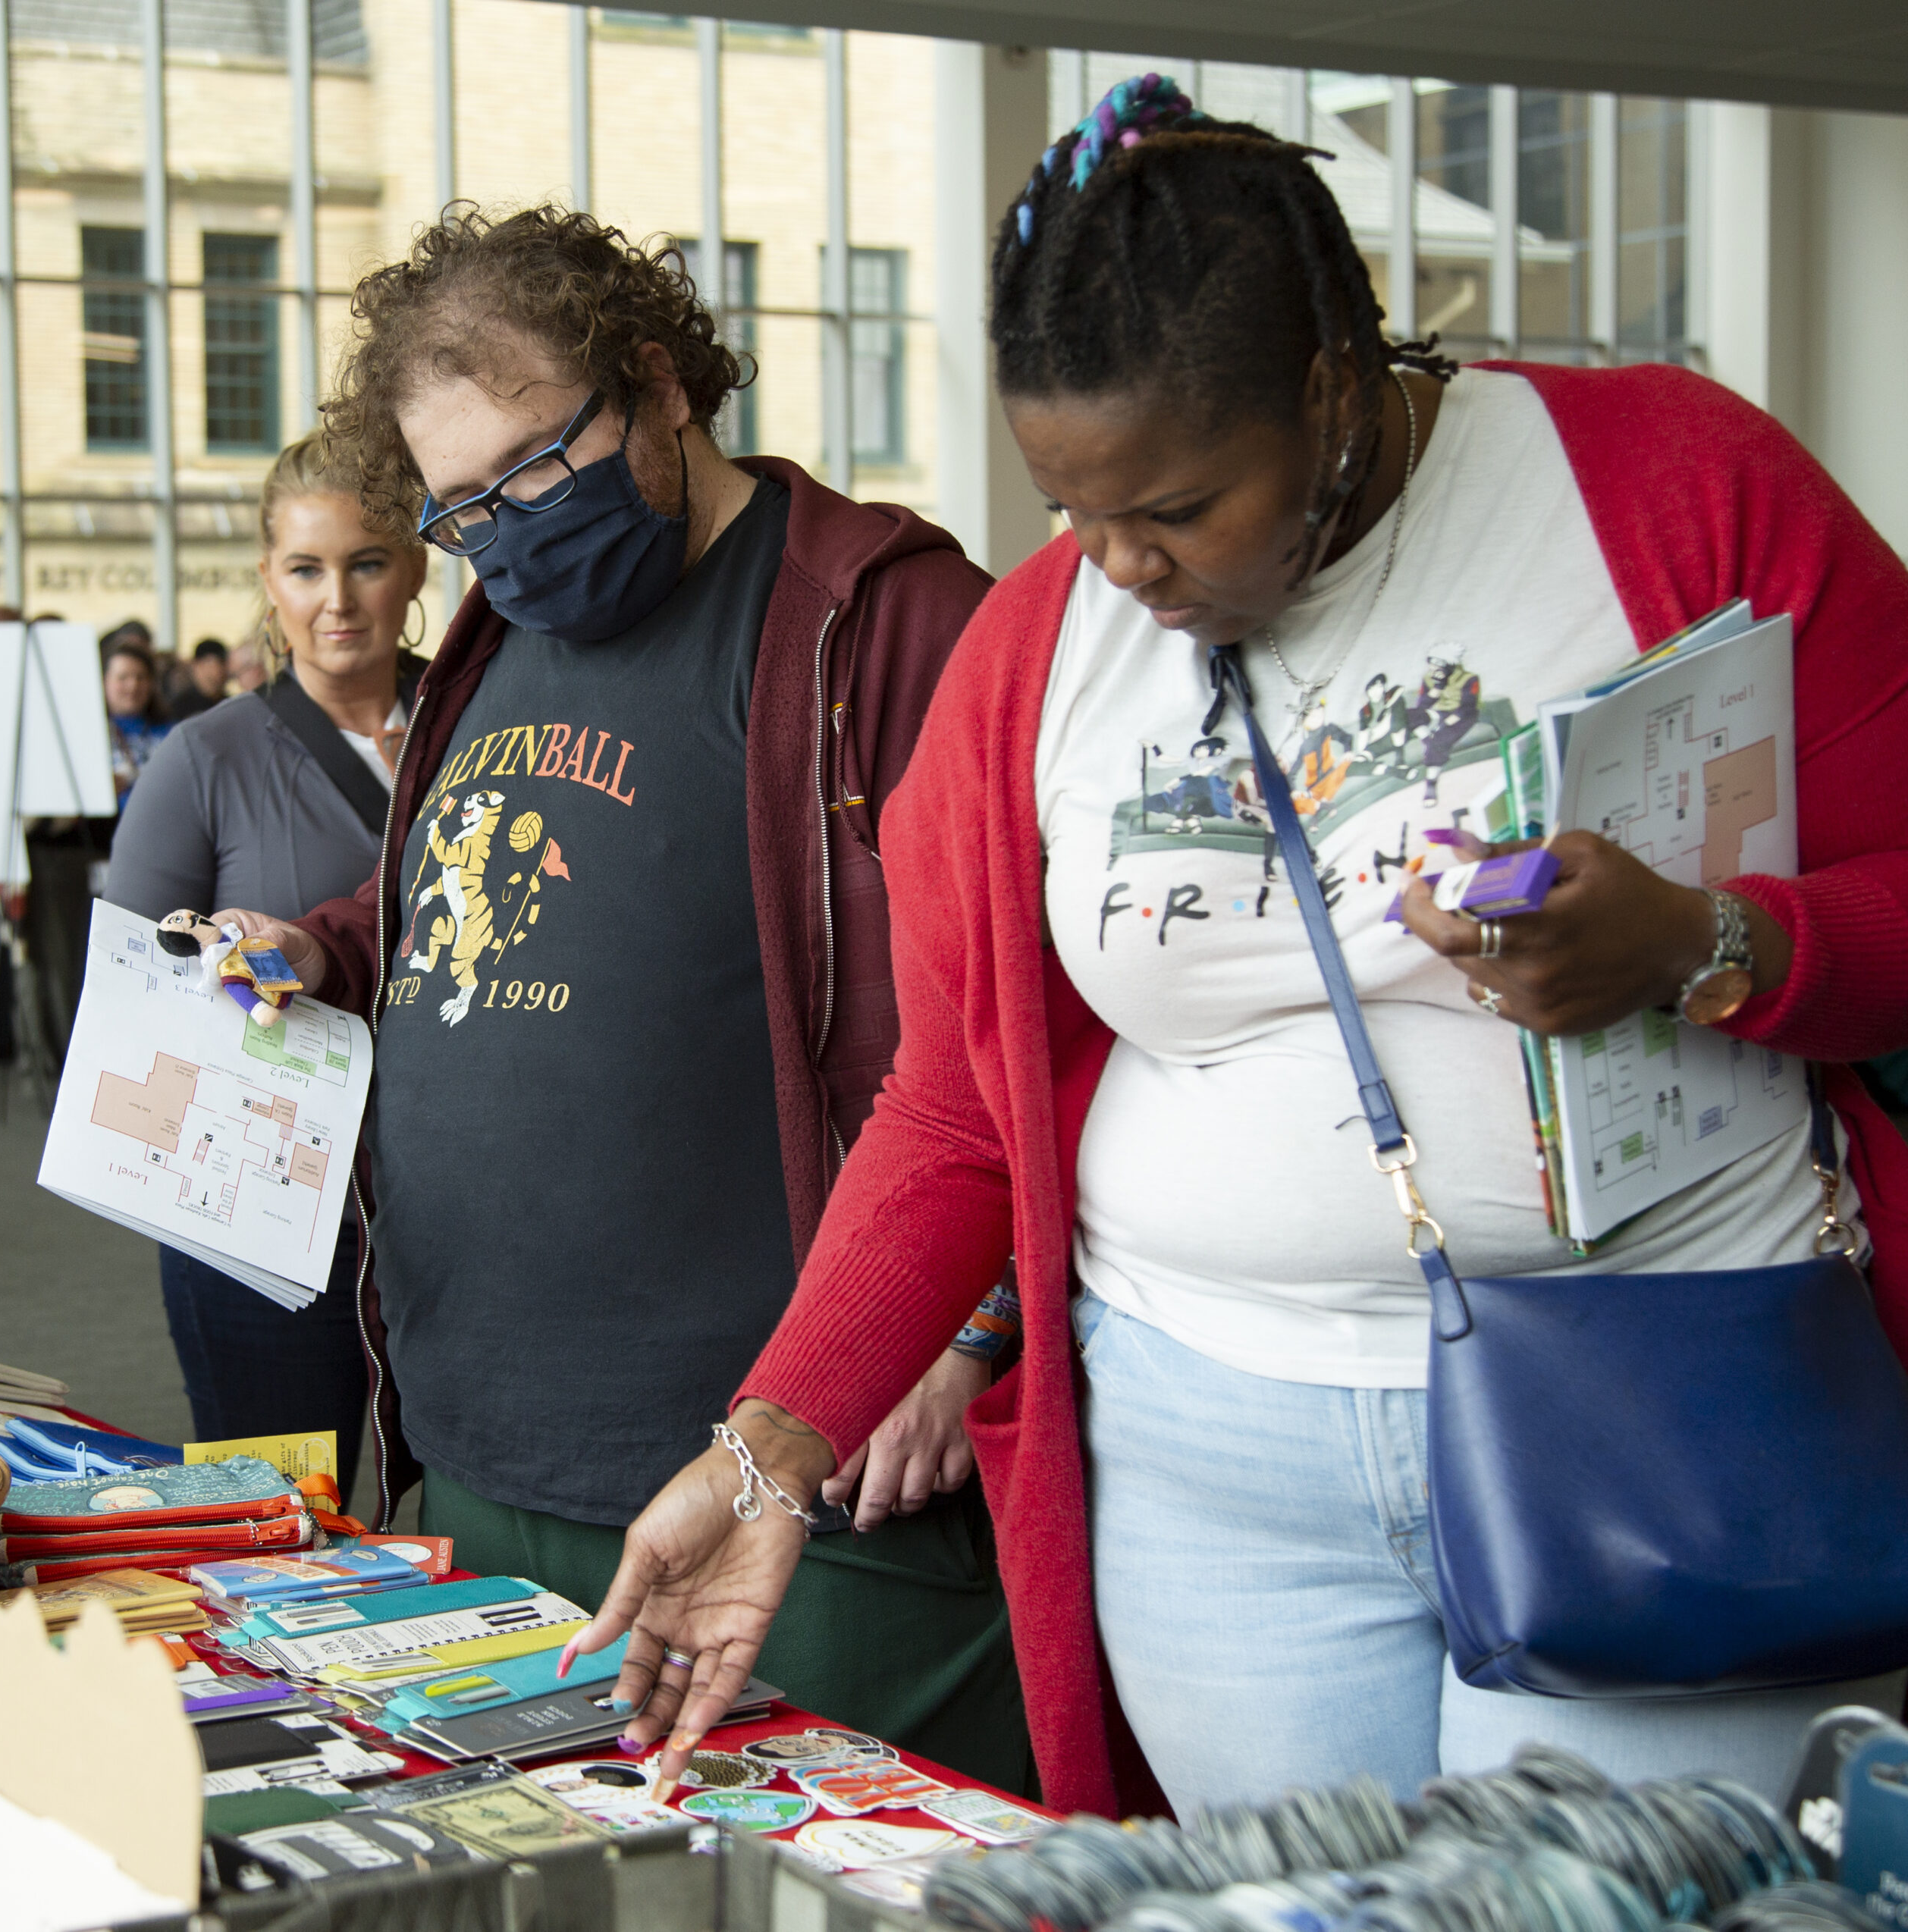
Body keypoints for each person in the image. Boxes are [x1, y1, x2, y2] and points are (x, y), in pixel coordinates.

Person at [570, 79, 1908, 1820]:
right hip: (1217, 1463)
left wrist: (1696, 941)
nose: (1119, 565)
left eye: (1180, 507)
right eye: (1071, 508)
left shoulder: (1663, 487)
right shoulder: (1035, 657)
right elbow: (956, 1105)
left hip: (1661, 1404)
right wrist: (767, 1451)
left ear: (1334, 388)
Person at [205, 206, 1028, 1789]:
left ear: (656, 382)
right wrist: (327, 945)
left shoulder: (881, 617)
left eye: (530, 470)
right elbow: (481, 896)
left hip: (794, 1476)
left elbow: (1020, 1013)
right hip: (483, 1448)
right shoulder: (494, 636)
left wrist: (962, 1328)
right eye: (459, 511)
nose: (504, 533)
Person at [106, 433, 431, 1507]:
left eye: (368, 561)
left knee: (474, 1533)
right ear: (268, 581)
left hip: (469, 1214)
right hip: (263, 1230)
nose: (337, 598)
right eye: (305, 568)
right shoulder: (202, 762)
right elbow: (124, 1012)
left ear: (420, 565)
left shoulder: (485, 724)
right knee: (282, 1527)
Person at [100, 632, 168, 802]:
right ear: (104, 681)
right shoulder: (87, 735)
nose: (133, 686)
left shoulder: (173, 733)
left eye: (141, 677)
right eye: (123, 678)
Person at [166, 638, 230, 720]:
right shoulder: (180, 707)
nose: (220, 671)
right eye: (211, 665)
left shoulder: (229, 703)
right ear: (196, 665)